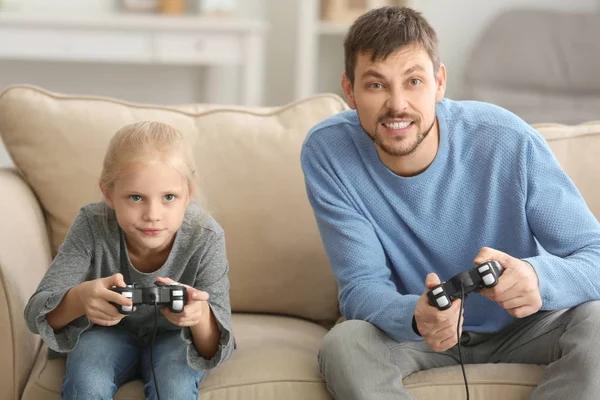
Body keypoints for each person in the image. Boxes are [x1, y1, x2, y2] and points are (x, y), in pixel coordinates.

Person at [300, 6, 600, 400]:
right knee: (345, 343)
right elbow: (361, 287)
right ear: (349, 91)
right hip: (419, 334)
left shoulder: (507, 140)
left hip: (527, 326)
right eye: (376, 85)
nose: (397, 105)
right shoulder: (328, 152)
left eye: (414, 81)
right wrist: (414, 315)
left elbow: (594, 254)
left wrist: (538, 278)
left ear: (439, 83)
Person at [24, 121, 234, 400]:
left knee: (174, 387)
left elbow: (214, 347)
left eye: (169, 197)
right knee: (86, 381)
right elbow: (35, 314)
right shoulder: (91, 225)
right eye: (136, 197)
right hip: (104, 334)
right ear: (108, 194)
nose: (153, 214)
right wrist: (79, 299)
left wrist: (198, 316)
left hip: (176, 338)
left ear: (189, 194)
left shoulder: (205, 236)